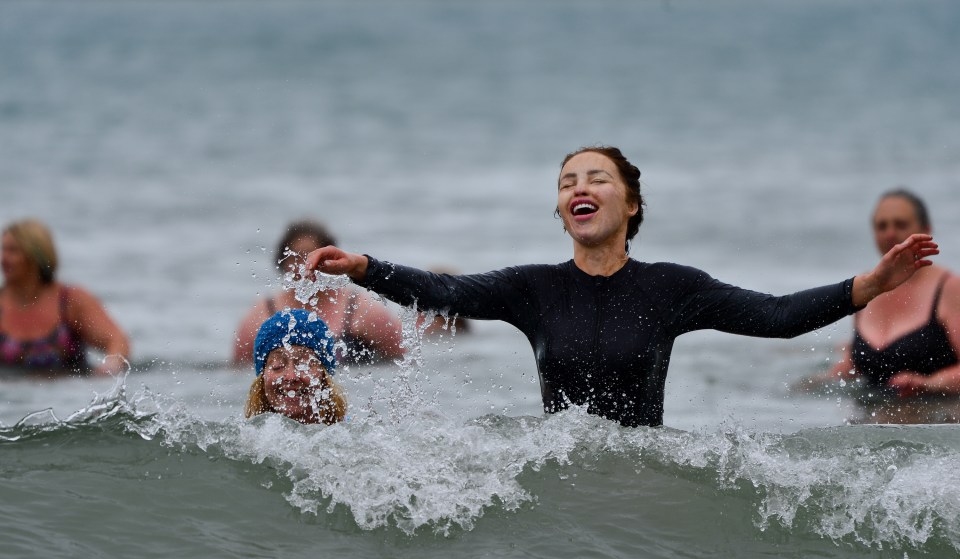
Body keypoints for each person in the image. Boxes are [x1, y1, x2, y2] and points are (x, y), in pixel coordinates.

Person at [304, 146, 938, 427]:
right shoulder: (533, 289)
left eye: (597, 178)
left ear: (631, 204)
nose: (579, 188)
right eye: (567, 182)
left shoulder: (672, 289)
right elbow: (448, 292)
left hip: (642, 477)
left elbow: (775, 315)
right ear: (560, 212)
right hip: (561, 478)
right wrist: (364, 266)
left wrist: (873, 283)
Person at [821, 189, 960, 397]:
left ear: (926, 230)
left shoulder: (949, 288)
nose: (890, 234)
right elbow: (855, 363)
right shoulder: (865, 287)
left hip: (935, 418)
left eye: (901, 224)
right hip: (866, 421)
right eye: (881, 226)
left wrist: (929, 384)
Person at [233, 220, 406, 367]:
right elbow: (238, 374)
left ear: (332, 260)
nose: (304, 265)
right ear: (282, 262)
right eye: (295, 257)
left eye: (311, 256)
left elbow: (401, 360)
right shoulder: (263, 314)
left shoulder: (359, 309)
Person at [0, 219, 130, 376]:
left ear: (36, 255)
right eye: (3, 250)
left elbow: (116, 341)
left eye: (13, 251)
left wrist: (109, 368)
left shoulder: (70, 300)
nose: (3, 259)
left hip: (68, 392)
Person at [244, 308, 347, 424]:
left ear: (324, 375)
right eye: (278, 366)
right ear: (262, 378)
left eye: (304, 365)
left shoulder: (350, 436)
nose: (291, 377)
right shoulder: (246, 436)